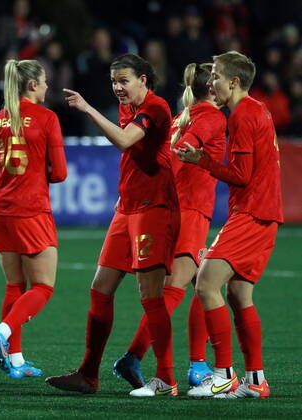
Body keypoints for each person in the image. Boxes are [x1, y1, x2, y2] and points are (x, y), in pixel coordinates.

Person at [46, 53, 179, 397]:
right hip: (127, 208)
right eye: (114, 81)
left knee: (150, 296)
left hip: (154, 208)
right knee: (100, 288)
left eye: (124, 80)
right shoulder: (128, 108)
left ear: (144, 80)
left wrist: (89, 109)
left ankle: (166, 379)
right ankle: (88, 374)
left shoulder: (157, 107)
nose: (118, 87)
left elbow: (124, 141)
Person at [112, 62, 226, 390]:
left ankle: (198, 365)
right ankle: (137, 358)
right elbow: (185, 146)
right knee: (175, 292)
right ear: (211, 87)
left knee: (205, 288)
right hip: (191, 210)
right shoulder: (209, 116)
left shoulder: (182, 116)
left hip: (180, 207)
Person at [176, 51, 283, 399]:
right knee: (238, 294)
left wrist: (201, 160)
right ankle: (256, 381)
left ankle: (222, 374)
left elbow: (241, 174)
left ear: (234, 82)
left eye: (217, 76)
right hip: (263, 213)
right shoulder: (257, 109)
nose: (210, 82)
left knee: (206, 283)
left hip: (252, 213)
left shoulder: (242, 115)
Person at [0, 59, 67, 378]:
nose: (47, 87)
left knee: (14, 285)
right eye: (44, 82)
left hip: (0, 211)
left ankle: (15, 360)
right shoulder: (46, 118)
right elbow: (59, 173)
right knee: (43, 287)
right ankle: (3, 335)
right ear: (32, 85)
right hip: (30, 210)